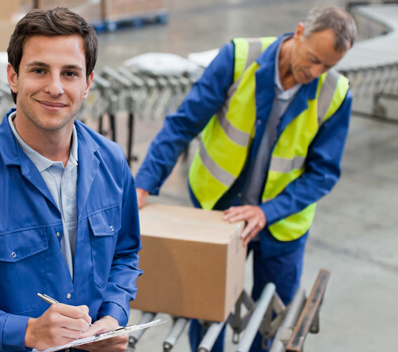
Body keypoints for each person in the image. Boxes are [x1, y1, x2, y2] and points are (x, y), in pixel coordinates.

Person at [0, 7, 142, 352]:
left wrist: (111, 315)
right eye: (39, 70)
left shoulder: (111, 162)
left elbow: (124, 254)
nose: (55, 87)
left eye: (71, 73)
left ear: (88, 83)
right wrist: (26, 332)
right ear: (13, 77)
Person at [134, 5, 356, 352]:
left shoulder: (335, 94)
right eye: (312, 58)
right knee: (205, 312)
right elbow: (183, 124)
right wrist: (143, 184)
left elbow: (323, 173)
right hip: (218, 211)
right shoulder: (239, 59)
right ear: (298, 32)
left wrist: (268, 211)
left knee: (268, 322)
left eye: (327, 66)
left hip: (280, 226)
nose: (315, 72)